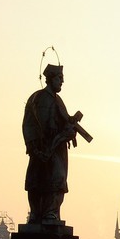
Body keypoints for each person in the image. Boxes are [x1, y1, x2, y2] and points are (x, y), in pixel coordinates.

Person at [22, 63, 85, 226]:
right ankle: (40, 213)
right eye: (59, 78)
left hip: (56, 148)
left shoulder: (57, 100)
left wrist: (71, 122)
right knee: (40, 180)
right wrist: (39, 145)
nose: (62, 82)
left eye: (62, 79)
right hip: (44, 148)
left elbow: (61, 120)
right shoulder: (40, 98)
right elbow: (36, 125)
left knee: (57, 179)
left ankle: (50, 213)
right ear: (50, 79)